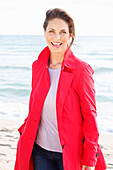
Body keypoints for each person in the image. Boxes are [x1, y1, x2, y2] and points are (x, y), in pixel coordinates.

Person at [14, 8, 107, 170]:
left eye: (63, 32)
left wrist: (90, 157)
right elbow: (36, 108)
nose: (57, 38)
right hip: (40, 150)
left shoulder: (81, 70)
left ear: (70, 35)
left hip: (70, 153)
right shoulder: (38, 66)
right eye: (51, 31)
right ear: (44, 33)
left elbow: (90, 115)